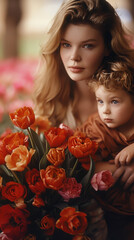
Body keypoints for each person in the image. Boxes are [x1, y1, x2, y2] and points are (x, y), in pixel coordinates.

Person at [33, 0, 134, 239]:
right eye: (66, 44)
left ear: (107, 46)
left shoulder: (130, 87)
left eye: (88, 46)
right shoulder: (51, 101)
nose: (74, 57)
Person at [78, 61, 134, 240]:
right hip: (106, 209)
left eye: (115, 101)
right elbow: (86, 166)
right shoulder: (96, 129)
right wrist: (122, 168)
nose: (105, 110)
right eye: (100, 101)